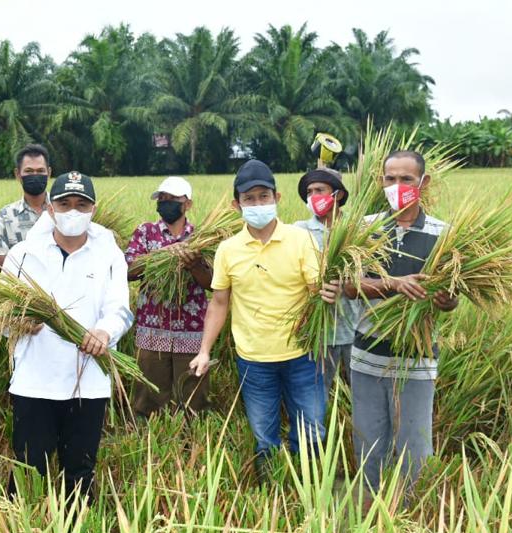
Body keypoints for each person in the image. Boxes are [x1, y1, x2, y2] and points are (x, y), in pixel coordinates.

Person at [188, 160, 335, 482]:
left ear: (277, 198)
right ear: (236, 204)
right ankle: (273, 493)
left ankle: (309, 491)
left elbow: (316, 292)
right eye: (250, 199)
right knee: (264, 435)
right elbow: (219, 302)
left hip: (303, 356)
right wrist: (204, 350)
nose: (258, 204)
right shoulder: (228, 250)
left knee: (311, 431)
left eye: (264, 197)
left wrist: (325, 301)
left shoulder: (301, 240)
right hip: (253, 360)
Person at [323, 150, 458, 495]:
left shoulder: (443, 234)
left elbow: (452, 295)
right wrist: (392, 284)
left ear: (423, 183)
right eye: (390, 179)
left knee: (415, 448)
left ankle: (412, 519)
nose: (397, 186)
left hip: (417, 359)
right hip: (368, 357)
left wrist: (446, 301)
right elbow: (347, 285)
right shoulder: (365, 229)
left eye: (406, 179)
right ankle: (369, 518)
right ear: (381, 181)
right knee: (369, 445)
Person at [2, 171, 133, 505]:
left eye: (81, 204)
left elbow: (119, 309)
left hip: (87, 380)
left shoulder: (109, 255)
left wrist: (105, 331)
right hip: (34, 380)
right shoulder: (23, 255)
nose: (73, 211)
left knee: (80, 469)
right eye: (64, 204)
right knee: (30, 467)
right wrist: (18, 323)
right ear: (50, 208)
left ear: (93, 209)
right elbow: (0, 312)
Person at [124, 176, 212, 417]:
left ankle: (193, 436)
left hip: (191, 329)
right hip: (153, 328)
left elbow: (213, 283)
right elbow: (128, 270)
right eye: (162, 199)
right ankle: (146, 431)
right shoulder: (145, 232)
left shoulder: (201, 237)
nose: (166, 203)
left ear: (188, 204)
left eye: (173, 199)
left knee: (193, 393)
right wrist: (161, 255)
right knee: (149, 394)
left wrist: (195, 265)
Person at [294, 167, 360, 394]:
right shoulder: (300, 231)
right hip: (320, 330)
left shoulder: (359, 228)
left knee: (361, 390)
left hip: (356, 325)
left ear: (338, 194)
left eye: (319, 190)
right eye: (309, 192)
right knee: (318, 391)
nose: (313, 197)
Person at [0, 143, 52, 268]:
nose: (35, 175)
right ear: (18, 174)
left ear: (49, 173)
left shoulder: (62, 210)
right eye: (29, 171)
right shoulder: (6, 215)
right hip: (19, 285)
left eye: (40, 171)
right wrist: (30, 274)